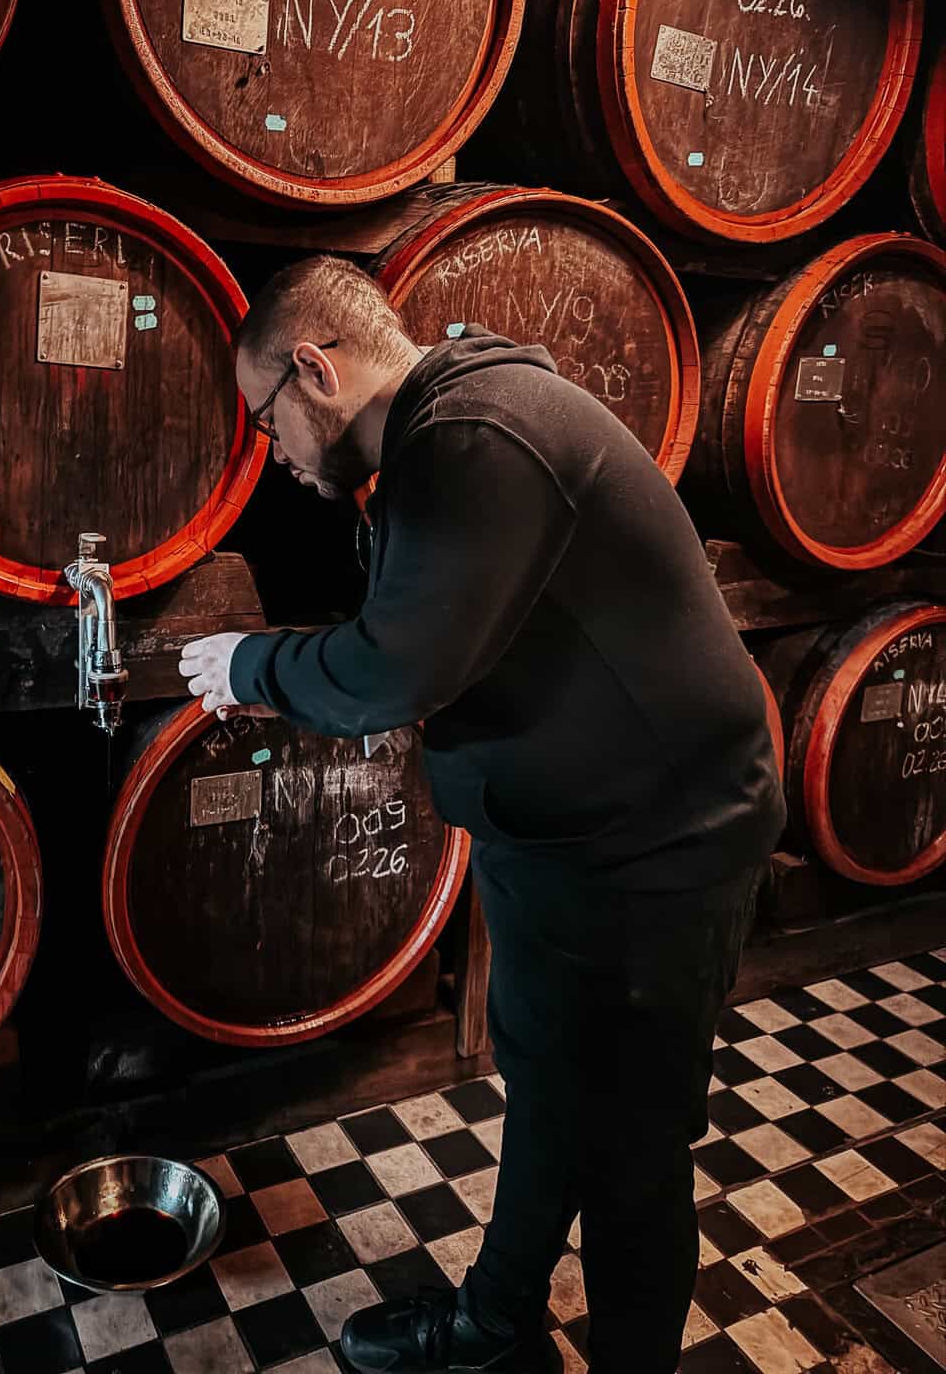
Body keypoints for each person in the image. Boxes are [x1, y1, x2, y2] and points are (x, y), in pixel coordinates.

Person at [179, 255, 786, 1374]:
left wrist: (252, 664)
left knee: (633, 1151)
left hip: (663, 840)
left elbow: (398, 666)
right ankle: (496, 1325)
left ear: (316, 370)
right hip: (568, 831)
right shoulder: (438, 439)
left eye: (267, 422)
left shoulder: (476, 435)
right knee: (555, 1092)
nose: (272, 457)